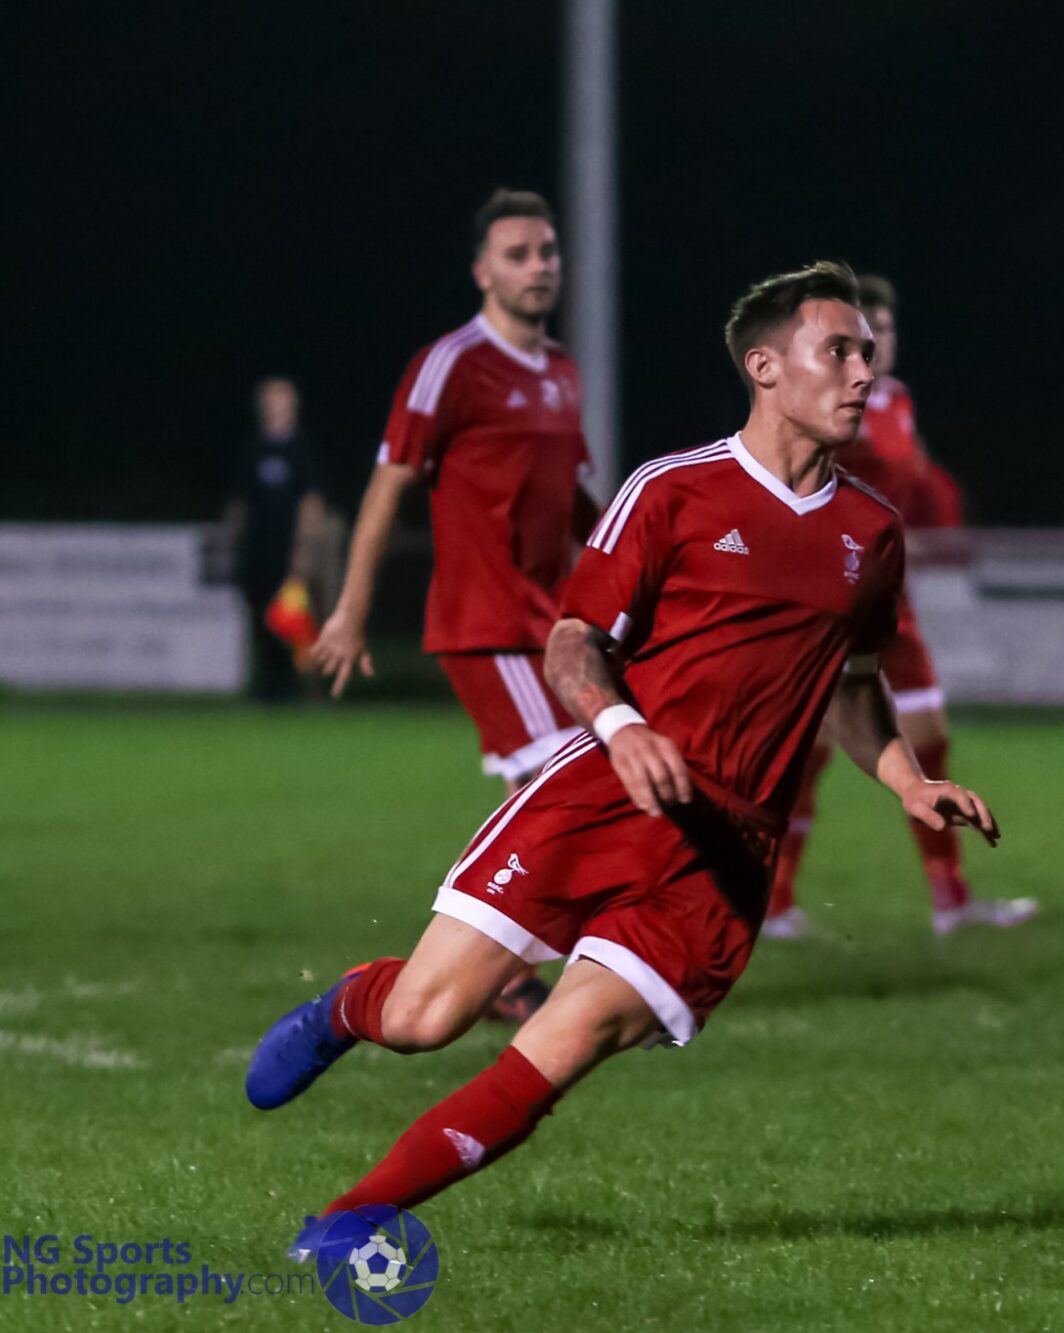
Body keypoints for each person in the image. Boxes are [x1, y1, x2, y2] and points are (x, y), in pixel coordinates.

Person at [245, 262, 1001, 1254]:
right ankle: (351, 1005)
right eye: (840, 350)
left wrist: (908, 778)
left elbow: (853, 681)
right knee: (426, 1017)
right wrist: (622, 725)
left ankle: (348, 1219)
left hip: (725, 854)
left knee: (565, 1041)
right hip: (605, 789)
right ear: (765, 367)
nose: (863, 371)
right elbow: (572, 642)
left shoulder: (871, 533)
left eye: (867, 352)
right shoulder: (674, 490)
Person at [763, 274, 1034, 938]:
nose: (876, 340)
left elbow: (914, 476)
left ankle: (951, 900)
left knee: (929, 735)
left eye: (884, 329)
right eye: (863, 331)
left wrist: (944, 507)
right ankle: (772, 901)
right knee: (811, 749)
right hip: (826, 598)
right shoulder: (819, 401)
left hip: (887, 598)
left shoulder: (896, 400)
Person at [309, 189, 599, 791]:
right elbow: (388, 485)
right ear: (483, 273)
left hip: (552, 622)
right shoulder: (451, 364)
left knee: (560, 801)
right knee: (564, 784)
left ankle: (494, 888)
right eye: (517, 255)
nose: (539, 265)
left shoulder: (562, 369)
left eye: (547, 252)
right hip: (488, 624)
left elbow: (570, 500)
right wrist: (350, 612)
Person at [222, 376, 328, 702]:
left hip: (289, 554)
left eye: (283, 400)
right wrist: (231, 537)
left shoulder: (302, 449)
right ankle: (264, 687)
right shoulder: (252, 448)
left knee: (295, 624)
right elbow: (240, 501)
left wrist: (303, 551)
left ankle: (307, 689)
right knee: (259, 622)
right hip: (258, 553)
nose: (278, 407)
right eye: (272, 400)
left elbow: (312, 502)